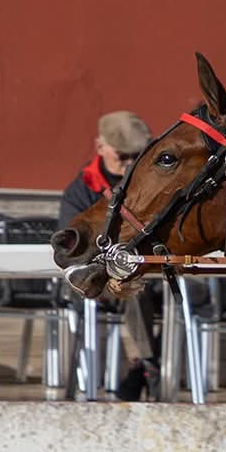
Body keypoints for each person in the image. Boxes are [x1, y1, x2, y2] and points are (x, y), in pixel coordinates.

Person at [58, 110, 161, 400]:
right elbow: (71, 243)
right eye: (122, 155)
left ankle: (144, 365)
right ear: (100, 147)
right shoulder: (81, 189)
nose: (129, 163)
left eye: (136, 156)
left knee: (179, 296)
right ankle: (148, 364)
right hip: (96, 279)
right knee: (133, 289)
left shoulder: (148, 184)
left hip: (146, 276)